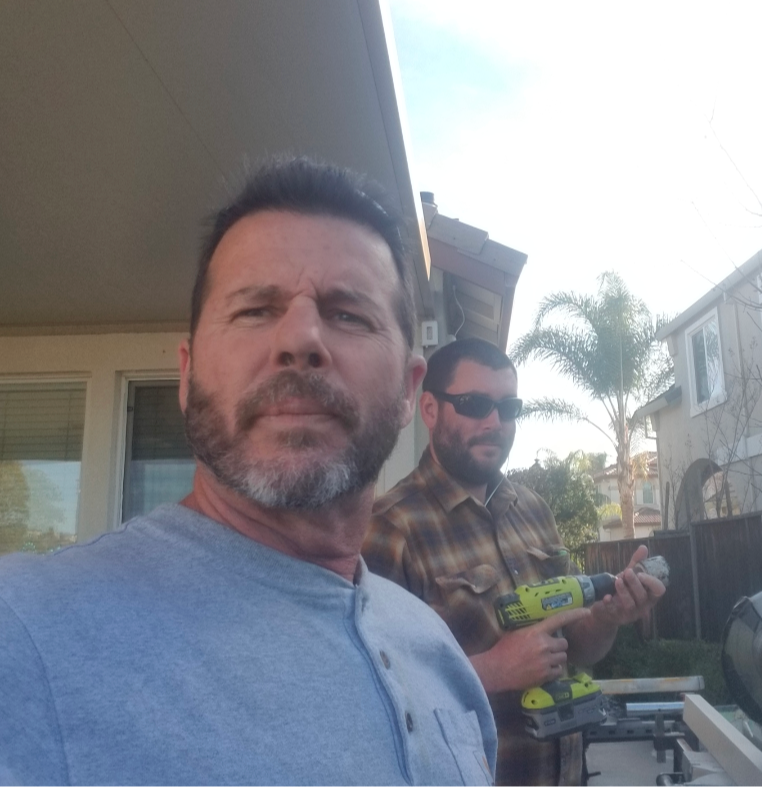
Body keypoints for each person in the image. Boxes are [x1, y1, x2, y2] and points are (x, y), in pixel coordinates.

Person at [0, 158, 497, 786]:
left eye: (348, 314)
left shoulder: (436, 649)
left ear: (407, 388)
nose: (300, 339)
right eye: (255, 310)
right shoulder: (25, 631)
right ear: (187, 376)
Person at [363, 338, 665, 786]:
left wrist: (607, 617)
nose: (494, 422)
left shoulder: (533, 510)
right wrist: (490, 671)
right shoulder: (388, 529)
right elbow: (369, 698)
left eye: (508, 408)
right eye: (474, 405)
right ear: (430, 409)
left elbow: (577, 650)